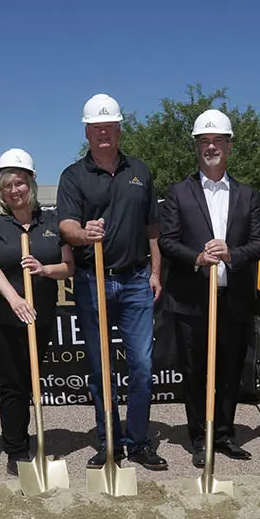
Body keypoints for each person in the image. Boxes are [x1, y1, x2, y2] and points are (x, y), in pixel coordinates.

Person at [57, 94, 167, 471]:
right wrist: (83, 233)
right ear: (87, 132)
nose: (103, 133)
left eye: (109, 127)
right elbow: (66, 226)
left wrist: (155, 272)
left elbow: (153, 227)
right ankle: (109, 443)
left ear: (119, 129)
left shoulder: (140, 171)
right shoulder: (73, 176)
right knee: (101, 368)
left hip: (136, 279)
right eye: (96, 128)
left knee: (141, 365)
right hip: (93, 281)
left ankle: (137, 442)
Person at [159, 109, 260, 466]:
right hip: (191, 301)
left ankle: (224, 434)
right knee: (194, 371)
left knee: (230, 369)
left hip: (233, 299)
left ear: (229, 146)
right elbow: (168, 241)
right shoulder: (178, 193)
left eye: (217, 140)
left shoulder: (248, 195)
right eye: (204, 141)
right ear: (196, 147)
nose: (211, 147)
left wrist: (232, 254)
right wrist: (197, 257)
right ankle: (199, 438)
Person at [0, 149, 74, 475]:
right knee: (12, 384)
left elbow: (68, 267)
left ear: (30, 183)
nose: (13, 190)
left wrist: (45, 270)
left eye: (19, 183)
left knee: (32, 381)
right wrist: (14, 299)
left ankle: (34, 442)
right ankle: (16, 451)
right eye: (7, 186)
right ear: (0, 190)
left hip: (39, 315)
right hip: (3, 317)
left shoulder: (52, 221)